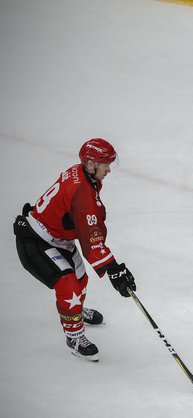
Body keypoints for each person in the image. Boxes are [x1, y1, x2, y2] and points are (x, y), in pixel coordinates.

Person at [13, 139, 137, 362]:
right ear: (90, 165)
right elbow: (91, 239)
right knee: (68, 284)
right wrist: (115, 270)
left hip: (57, 238)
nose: (108, 169)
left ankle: (76, 312)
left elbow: (85, 227)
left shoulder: (82, 175)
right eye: (104, 164)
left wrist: (112, 266)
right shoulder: (82, 192)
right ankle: (74, 336)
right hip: (36, 241)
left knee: (80, 278)